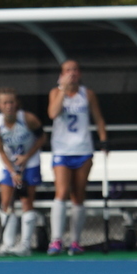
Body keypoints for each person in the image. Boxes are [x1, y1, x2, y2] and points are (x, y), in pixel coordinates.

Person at [47, 59, 108, 256]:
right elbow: (53, 113)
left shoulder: (87, 94)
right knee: (62, 191)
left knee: (78, 195)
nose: (72, 73)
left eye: (74, 70)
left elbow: (98, 119)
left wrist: (103, 140)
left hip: (83, 149)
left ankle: (75, 241)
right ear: (61, 74)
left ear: (79, 73)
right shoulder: (56, 93)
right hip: (62, 151)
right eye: (67, 70)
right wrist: (63, 90)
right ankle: (56, 239)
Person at [0, 87, 46, 256]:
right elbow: (0, 151)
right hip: (11, 165)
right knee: (7, 203)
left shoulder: (29, 119)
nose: (9, 106)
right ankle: (8, 243)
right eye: (5, 102)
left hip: (31, 161)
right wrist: (13, 171)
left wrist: (26, 157)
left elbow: (42, 138)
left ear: (17, 103)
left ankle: (25, 245)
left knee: (27, 201)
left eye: (12, 102)